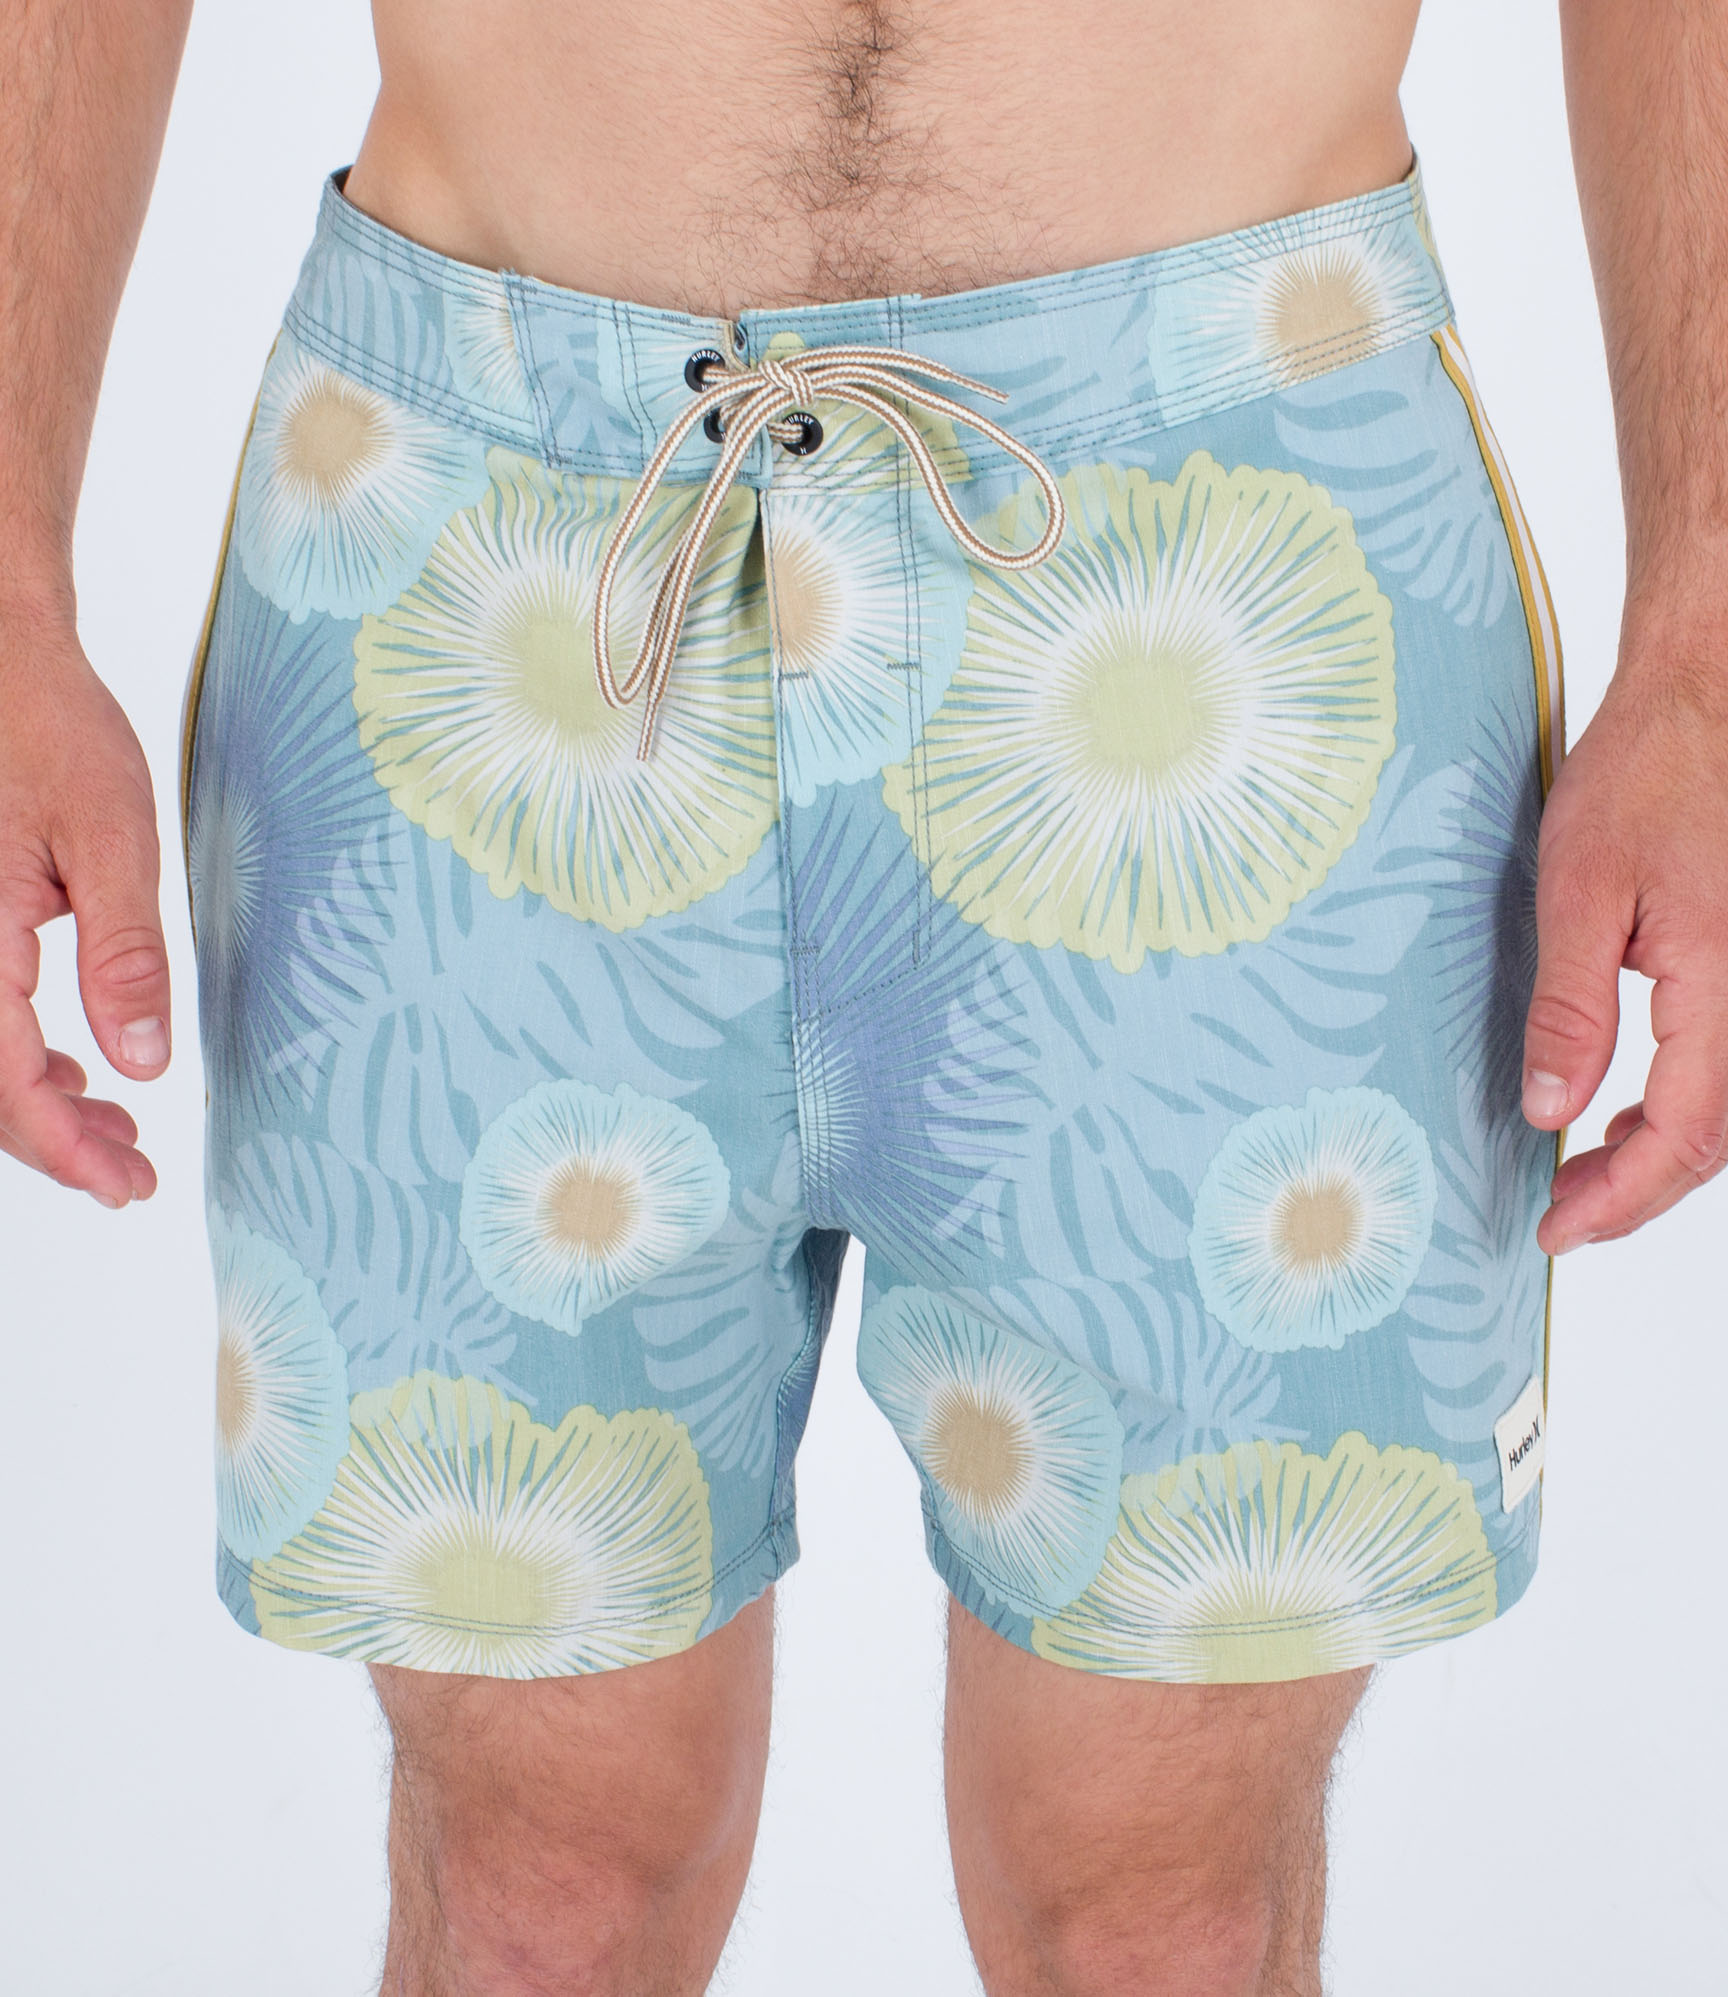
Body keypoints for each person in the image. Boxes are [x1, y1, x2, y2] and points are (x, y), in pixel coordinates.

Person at [4, 1, 1726, 1990]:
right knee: (534, 1896)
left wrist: (1703, 641)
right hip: (483, 531)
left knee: (1163, 1915)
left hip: (1228, 522)